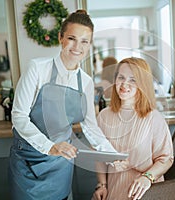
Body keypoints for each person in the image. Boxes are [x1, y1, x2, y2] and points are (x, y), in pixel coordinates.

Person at [8, 10, 116, 200]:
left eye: (84, 41)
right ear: (61, 38)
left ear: (90, 45)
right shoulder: (37, 68)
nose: (77, 47)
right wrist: (49, 147)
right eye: (72, 38)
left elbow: (90, 127)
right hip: (28, 160)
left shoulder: (87, 82)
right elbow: (19, 117)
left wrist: (113, 155)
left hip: (60, 165)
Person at [92, 57, 174, 200]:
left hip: (146, 191)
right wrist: (102, 185)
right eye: (121, 77)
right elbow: (99, 156)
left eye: (133, 80)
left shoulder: (154, 118)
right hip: (114, 190)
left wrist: (147, 177)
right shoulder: (104, 116)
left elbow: (166, 159)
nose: (124, 84)